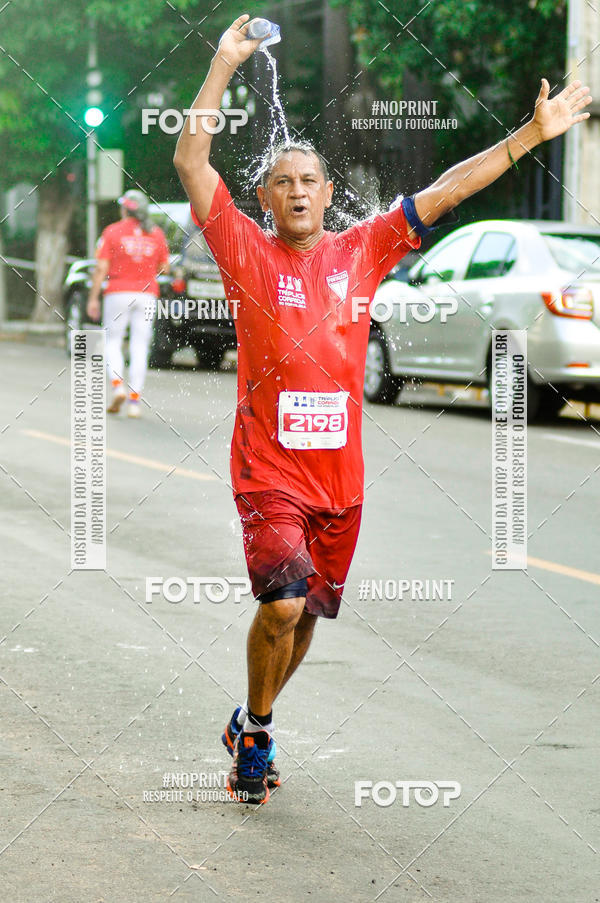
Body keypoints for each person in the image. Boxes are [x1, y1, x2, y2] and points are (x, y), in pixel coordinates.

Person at [174, 14, 591, 804]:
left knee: (305, 621)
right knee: (284, 601)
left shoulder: (361, 247)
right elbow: (190, 158)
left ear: (329, 196)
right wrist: (224, 65)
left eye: (310, 182)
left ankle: (250, 720)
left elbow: (450, 187)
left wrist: (532, 136)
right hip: (269, 471)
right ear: (263, 199)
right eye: (283, 183)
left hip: (344, 482)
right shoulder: (243, 251)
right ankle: (258, 735)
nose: (297, 191)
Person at [87, 190, 170, 418]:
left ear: (125, 209)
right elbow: (165, 267)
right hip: (147, 294)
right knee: (140, 345)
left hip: (117, 292)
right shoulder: (156, 233)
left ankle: (117, 385)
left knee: (112, 341)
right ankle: (134, 403)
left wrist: (93, 297)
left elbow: (101, 268)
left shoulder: (112, 232)